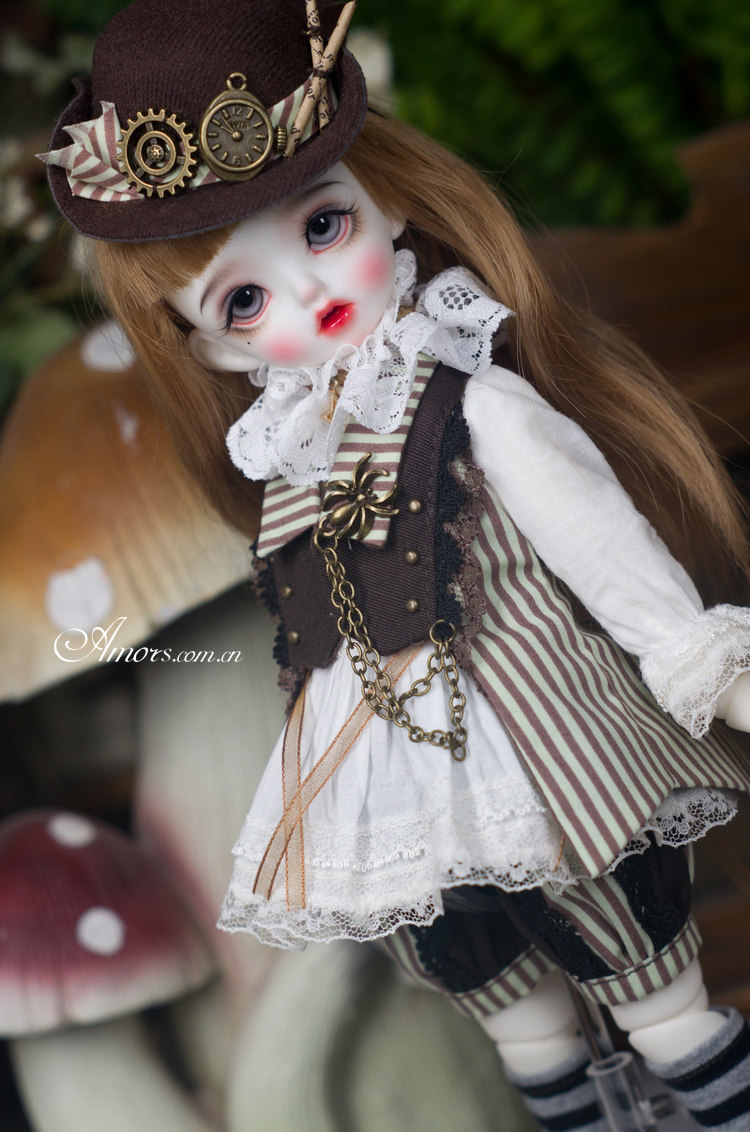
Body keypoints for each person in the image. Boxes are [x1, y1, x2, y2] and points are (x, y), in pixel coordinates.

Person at [41, 0, 750, 1127]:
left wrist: (702, 660)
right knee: (519, 1022)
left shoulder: (477, 402)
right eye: (244, 297)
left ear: (391, 202)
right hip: (385, 804)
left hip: (541, 751)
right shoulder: (287, 462)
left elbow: (600, 545)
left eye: (325, 227)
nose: (310, 292)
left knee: (657, 998)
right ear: (213, 344)